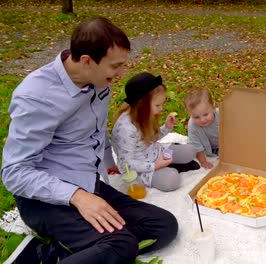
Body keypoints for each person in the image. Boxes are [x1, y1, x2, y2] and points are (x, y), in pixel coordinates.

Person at [1, 17, 178, 263]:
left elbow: (95, 132)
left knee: (163, 226)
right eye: (116, 66)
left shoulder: (98, 81)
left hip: (88, 182)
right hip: (45, 200)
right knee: (121, 244)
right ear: (86, 61)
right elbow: (14, 172)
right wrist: (78, 197)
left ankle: (66, 253)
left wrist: (108, 165)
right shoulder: (36, 97)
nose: (121, 74)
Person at [112, 72, 199, 192]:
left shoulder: (144, 115)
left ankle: (169, 164)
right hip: (141, 168)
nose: (161, 109)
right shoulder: (125, 129)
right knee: (171, 180)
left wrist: (167, 127)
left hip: (157, 152)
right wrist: (155, 166)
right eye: (158, 105)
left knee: (191, 151)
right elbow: (126, 163)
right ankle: (170, 167)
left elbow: (151, 139)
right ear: (142, 105)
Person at [184, 88, 219, 169]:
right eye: (196, 117)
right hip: (208, 149)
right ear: (189, 113)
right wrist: (203, 162)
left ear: (213, 107)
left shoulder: (222, 115)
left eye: (206, 114)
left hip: (225, 145)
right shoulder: (192, 126)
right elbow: (196, 146)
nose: (202, 120)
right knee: (191, 149)